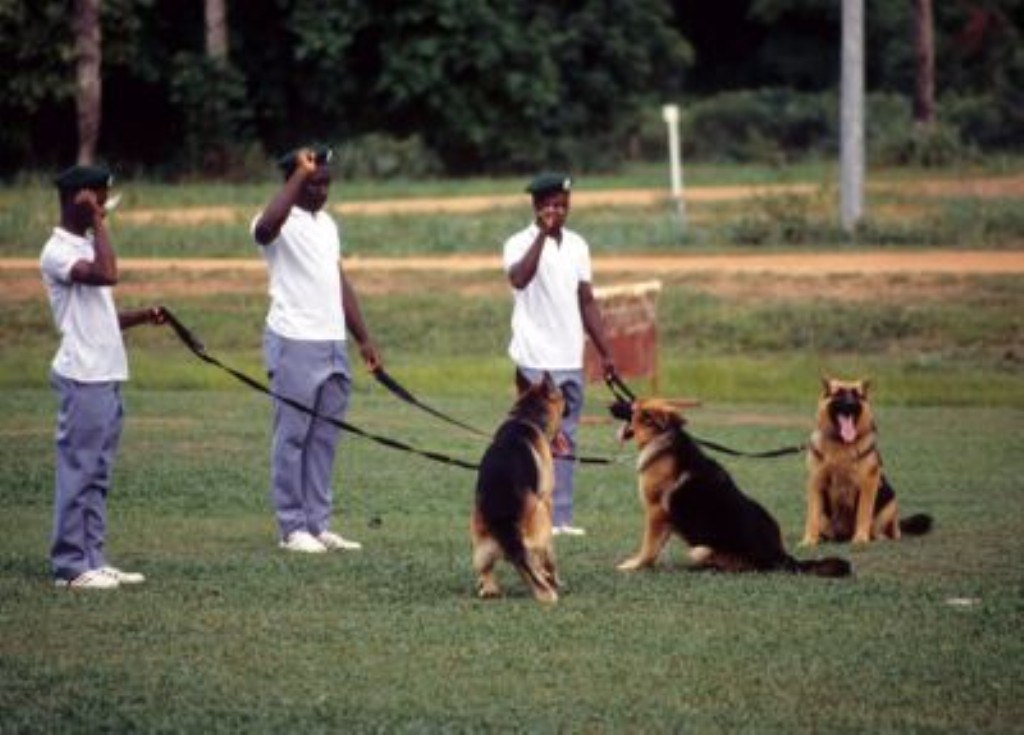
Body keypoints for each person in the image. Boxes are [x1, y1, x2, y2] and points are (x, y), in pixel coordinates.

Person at [41, 164, 167, 589]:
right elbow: (107, 274)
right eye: (100, 198)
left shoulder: (88, 245)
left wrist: (141, 316)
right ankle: (71, 566)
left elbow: (100, 311)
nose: (105, 208)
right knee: (79, 470)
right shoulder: (58, 252)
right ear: (82, 199)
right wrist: (96, 220)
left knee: (98, 472)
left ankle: (92, 555)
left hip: (106, 373)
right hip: (83, 375)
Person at [251, 145, 382, 554]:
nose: (323, 190)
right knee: (292, 436)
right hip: (294, 340)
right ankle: (292, 527)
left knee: (324, 438)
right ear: (294, 181)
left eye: (327, 182)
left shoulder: (327, 226)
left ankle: (317, 523)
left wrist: (363, 338)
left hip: (331, 343)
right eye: (314, 182)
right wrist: (298, 176)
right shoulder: (275, 220)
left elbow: (338, 282)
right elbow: (263, 231)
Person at [502, 172, 617, 537]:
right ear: (536, 207)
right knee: (536, 439)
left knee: (565, 438)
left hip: (570, 357)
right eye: (550, 205)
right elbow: (519, 279)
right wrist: (540, 235)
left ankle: (560, 518)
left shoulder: (578, 246)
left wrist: (605, 352)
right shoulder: (518, 242)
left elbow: (586, 300)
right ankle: (531, 513)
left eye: (563, 205)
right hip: (535, 359)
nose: (557, 212)